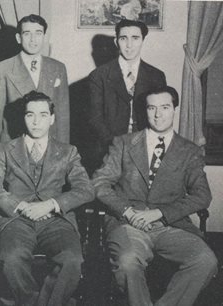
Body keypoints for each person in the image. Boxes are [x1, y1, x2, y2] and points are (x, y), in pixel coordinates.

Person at [92, 86, 217, 306]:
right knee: (128, 262)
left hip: (171, 225)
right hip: (127, 224)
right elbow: (99, 184)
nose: (158, 114)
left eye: (165, 107)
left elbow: (202, 195)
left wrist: (159, 213)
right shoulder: (123, 143)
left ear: (174, 109)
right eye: (152, 108)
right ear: (145, 110)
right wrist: (127, 211)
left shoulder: (189, 151)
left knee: (205, 261)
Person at [0, 91, 93, 306]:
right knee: (11, 259)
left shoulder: (68, 151)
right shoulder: (5, 149)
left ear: (52, 119)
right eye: (30, 115)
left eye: (42, 115)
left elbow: (86, 189)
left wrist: (52, 204)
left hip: (56, 221)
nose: (36, 121)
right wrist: (18, 205)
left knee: (72, 260)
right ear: (23, 118)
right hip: (16, 220)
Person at [0, 14, 70, 153]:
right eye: (27, 34)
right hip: (13, 149)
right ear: (19, 38)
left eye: (38, 33)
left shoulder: (58, 68)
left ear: (44, 37)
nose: (33, 40)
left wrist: (64, 154)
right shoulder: (1, 70)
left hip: (48, 149)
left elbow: (62, 118)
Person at [88, 19, 166, 162]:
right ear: (116, 42)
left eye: (135, 38)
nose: (129, 45)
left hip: (146, 151)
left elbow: (159, 117)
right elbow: (95, 119)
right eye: (124, 38)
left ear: (143, 40)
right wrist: (117, 147)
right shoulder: (99, 76)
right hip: (109, 151)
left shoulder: (156, 76)